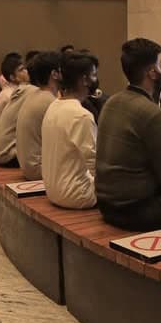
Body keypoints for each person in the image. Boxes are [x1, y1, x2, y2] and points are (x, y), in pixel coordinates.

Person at [95, 39, 161, 231]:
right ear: (151, 72)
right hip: (134, 209)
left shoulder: (111, 102)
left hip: (105, 203)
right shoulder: (151, 113)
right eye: (159, 65)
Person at [40, 52, 98, 209]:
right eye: (94, 75)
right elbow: (94, 163)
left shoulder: (54, 106)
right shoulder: (82, 115)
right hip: (77, 194)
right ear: (84, 80)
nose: (95, 80)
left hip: (52, 190)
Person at [15, 51, 60, 179]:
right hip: (37, 170)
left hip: (28, 167)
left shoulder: (35, 95)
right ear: (55, 74)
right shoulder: (49, 101)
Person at [0, 52, 28, 127]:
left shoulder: (19, 90)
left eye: (25, 68)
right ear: (12, 77)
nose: (26, 72)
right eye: (21, 70)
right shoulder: (10, 95)